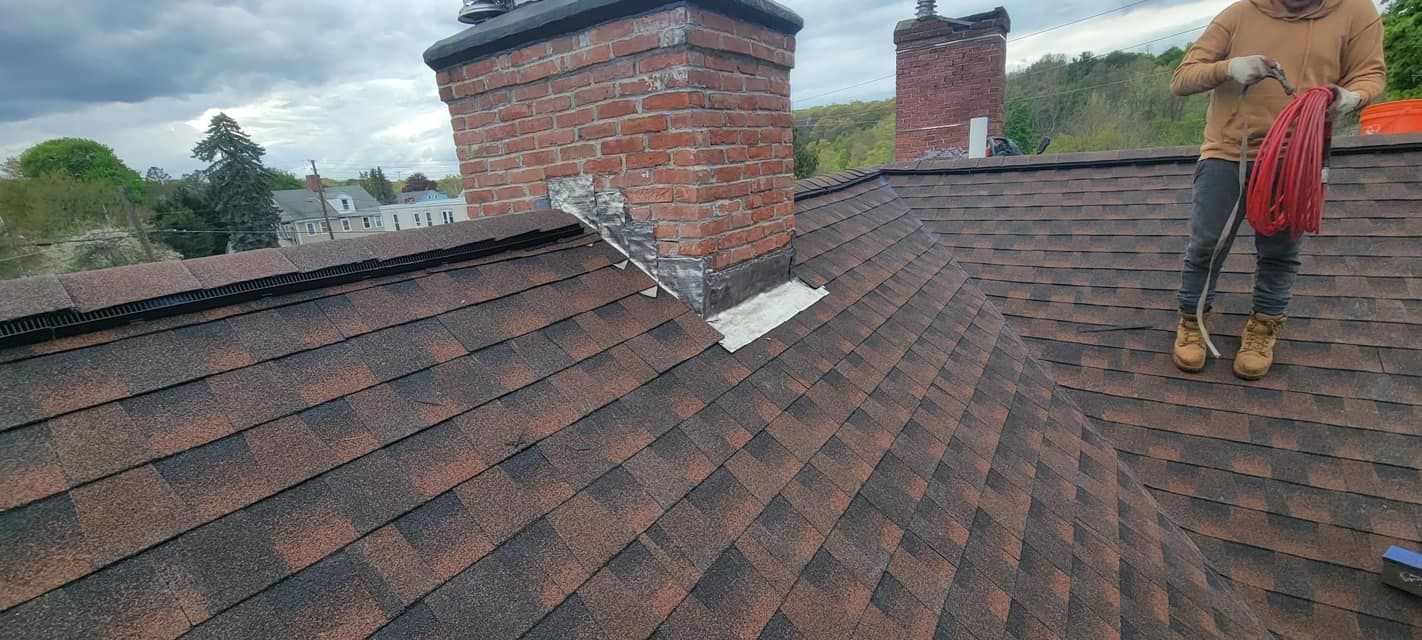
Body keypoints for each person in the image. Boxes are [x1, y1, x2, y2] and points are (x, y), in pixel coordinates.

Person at [1168, 0, 1385, 380]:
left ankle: (1264, 326)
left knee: (1280, 250)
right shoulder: (1238, 14)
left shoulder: (1356, 12)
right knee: (1206, 244)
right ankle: (1192, 320)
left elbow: (1369, 75)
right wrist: (1230, 68)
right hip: (1227, 153)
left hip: (1296, 156)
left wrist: (1352, 98)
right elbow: (1182, 78)